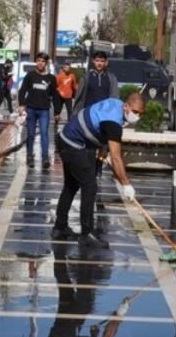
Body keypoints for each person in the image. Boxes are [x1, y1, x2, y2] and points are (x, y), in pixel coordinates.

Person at [53, 92, 147, 248]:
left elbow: (99, 127)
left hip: (67, 139)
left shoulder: (115, 104)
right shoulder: (113, 123)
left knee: (71, 185)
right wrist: (126, 184)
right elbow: (116, 157)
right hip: (72, 144)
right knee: (89, 186)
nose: (137, 116)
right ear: (126, 106)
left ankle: (59, 227)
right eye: (135, 112)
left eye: (140, 114)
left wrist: (103, 149)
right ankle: (86, 234)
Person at [18, 52, 58, 168]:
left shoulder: (51, 78)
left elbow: (55, 95)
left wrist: (57, 112)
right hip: (31, 109)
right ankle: (30, 156)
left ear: (46, 63)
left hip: (44, 111)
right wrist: (21, 105)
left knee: (44, 134)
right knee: (30, 134)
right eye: (39, 60)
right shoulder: (30, 75)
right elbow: (22, 91)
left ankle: (45, 158)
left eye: (43, 61)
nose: (40, 63)